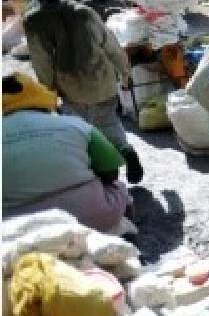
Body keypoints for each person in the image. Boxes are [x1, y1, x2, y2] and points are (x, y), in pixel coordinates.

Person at [22, 0, 143, 183]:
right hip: (102, 80)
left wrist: (49, 90)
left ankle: (101, 171)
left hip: (71, 87)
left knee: (82, 129)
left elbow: (42, 61)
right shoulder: (84, 12)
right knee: (108, 121)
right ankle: (125, 150)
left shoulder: (34, 21)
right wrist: (125, 73)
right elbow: (111, 45)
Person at [2, 73, 131, 232]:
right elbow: (111, 173)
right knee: (118, 188)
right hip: (92, 215)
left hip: (20, 227)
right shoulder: (76, 125)